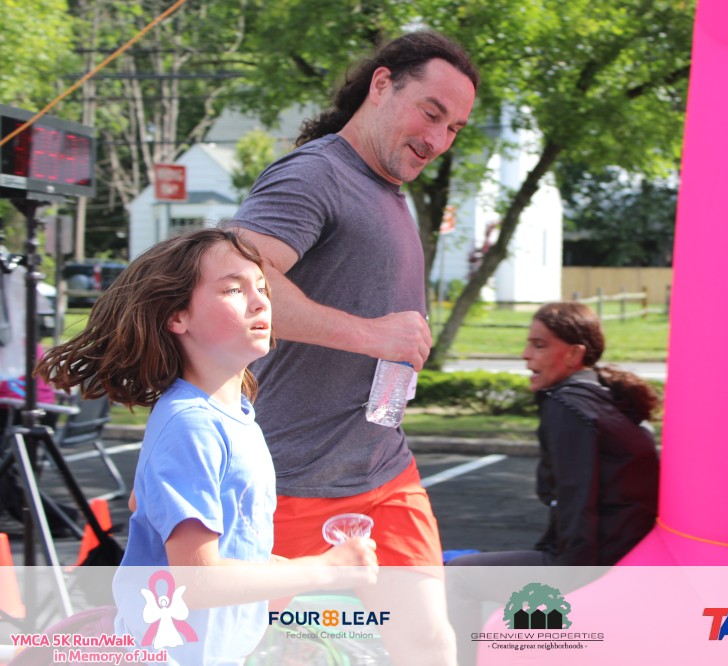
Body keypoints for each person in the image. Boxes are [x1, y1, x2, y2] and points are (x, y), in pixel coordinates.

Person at [225, 30, 478, 666]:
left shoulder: (388, 186)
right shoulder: (315, 173)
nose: (439, 139)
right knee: (256, 649)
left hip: (384, 469)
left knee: (427, 642)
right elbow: (232, 284)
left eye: (454, 128)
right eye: (431, 113)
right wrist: (371, 335)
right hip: (293, 478)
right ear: (382, 84)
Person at [34, 229, 377, 665]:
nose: (260, 302)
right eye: (233, 289)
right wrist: (322, 569)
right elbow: (194, 581)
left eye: (262, 287)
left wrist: (280, 572)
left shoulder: (234, 415)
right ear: (177, 316)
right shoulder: (192, 424)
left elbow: (147, 505)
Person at [445, 302, 660, 664]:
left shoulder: (568, 406)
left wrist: (568, 584)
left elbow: (578, 500)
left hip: (595, 562)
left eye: (539, 345)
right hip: (627, 555)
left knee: (456, 576)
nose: (525, 354)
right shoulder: (608, 399)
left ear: (574, 354)